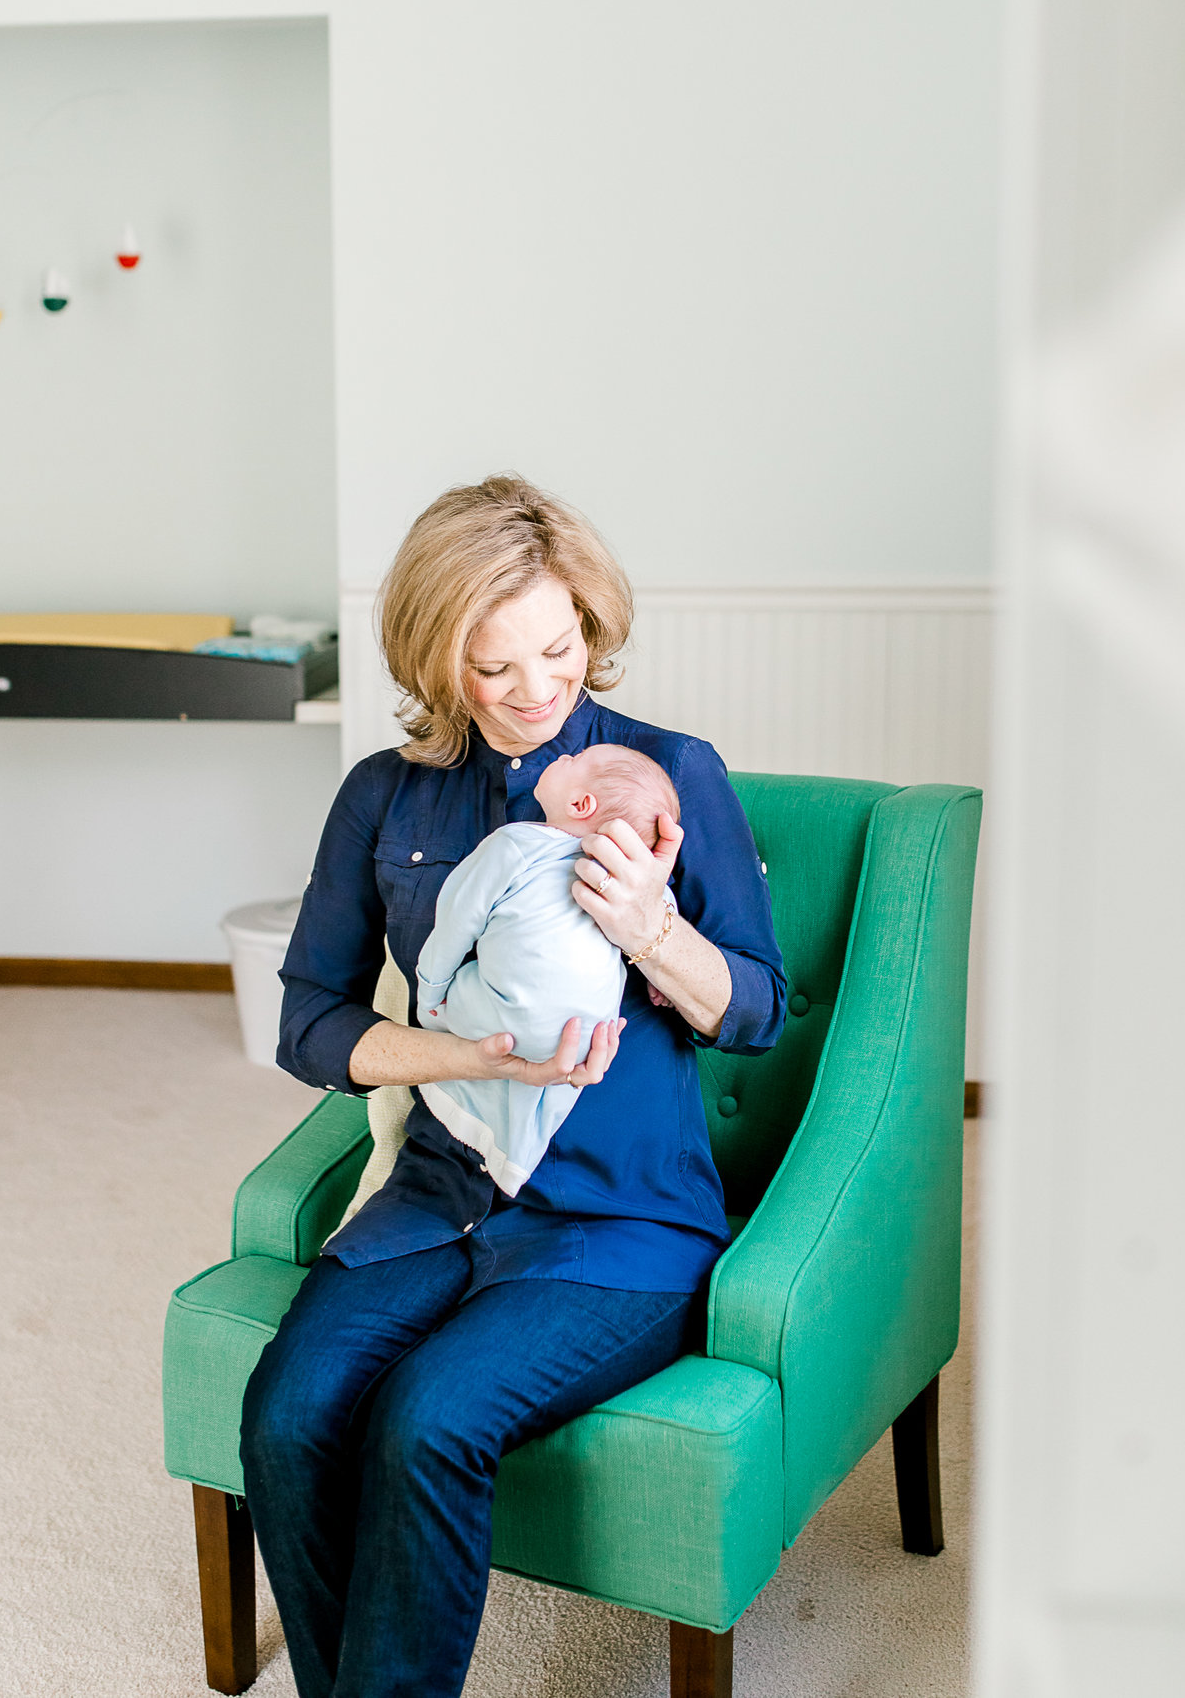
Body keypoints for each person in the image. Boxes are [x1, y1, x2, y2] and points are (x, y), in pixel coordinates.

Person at [242, 474, 789, 1698]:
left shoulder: (668, 774)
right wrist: (469, 1058)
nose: (538, 691)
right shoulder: (384, 796)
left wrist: (653, 931)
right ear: (440, 666)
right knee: (287, 1415)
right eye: (495, 669)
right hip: (439, 1196)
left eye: (561, 650)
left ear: (591, 628)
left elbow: (754, 1008)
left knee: (429, 1419)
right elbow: (308, 1023)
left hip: (623, 1223)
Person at [415, 743, 684, 1196]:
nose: (562, 756)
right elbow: (661, 912)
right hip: (586, 1039)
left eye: (573, 762)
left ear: (581, 804)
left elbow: (457, 916)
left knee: (462, 988)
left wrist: (432, 992)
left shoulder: (517, 845)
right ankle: (517, 1157)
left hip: (505, 1020)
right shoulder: (630, 883)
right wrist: (660, 981)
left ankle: (495, 1150)